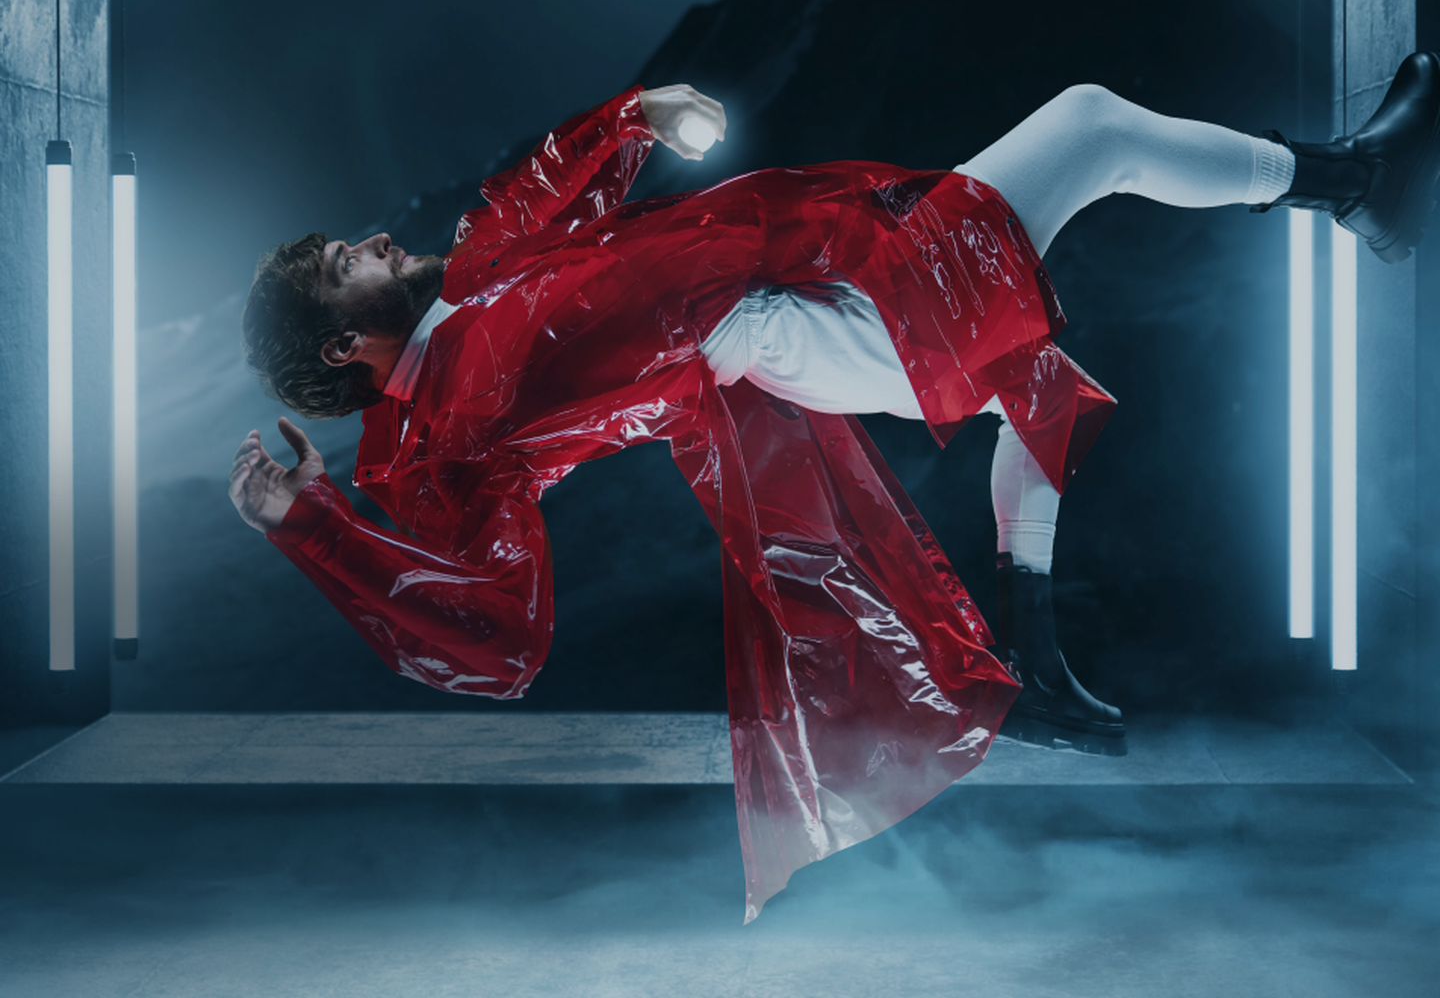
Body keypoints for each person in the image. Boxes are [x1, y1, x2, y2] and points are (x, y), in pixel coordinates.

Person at [230, 55, 1440, 921]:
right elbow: (500, 639)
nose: (376, 245)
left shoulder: (467, 278)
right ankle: (1360, 188)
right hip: (825, 321)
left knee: (1046, 342)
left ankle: (1040, 656)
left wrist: (633, 115)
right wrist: (317, 525)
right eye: (350, 264)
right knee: (1091, 128)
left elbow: (536, 193)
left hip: (811, 271)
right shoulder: (445, 439)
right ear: (345, 346)